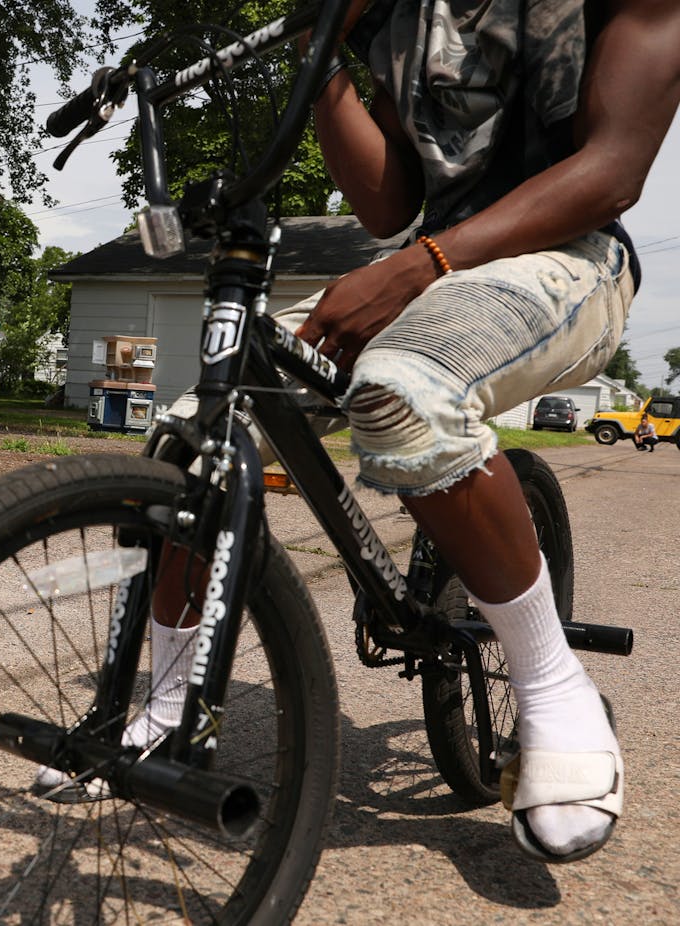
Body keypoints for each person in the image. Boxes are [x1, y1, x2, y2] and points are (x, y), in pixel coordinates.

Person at [47, 0, 678, 866]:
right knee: (192, 434)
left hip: (571, 259)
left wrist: (425, 265)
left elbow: (612, 172)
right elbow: (389, 202)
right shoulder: (397, 17)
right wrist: (322, 50)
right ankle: (158, 712)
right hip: (435, 259)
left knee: (402, 387)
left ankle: (551, 684)